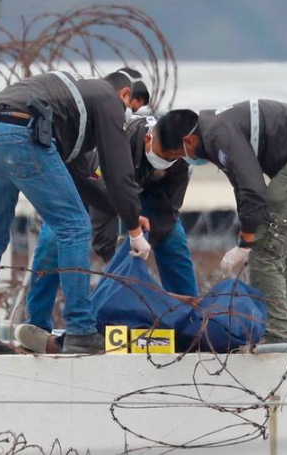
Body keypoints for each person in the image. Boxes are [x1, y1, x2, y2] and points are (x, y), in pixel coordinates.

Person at [0, 70, 152, 355]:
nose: (124, 117)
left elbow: (81, 180)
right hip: (23, 132)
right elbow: (117, 170)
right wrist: (135, 234)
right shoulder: (108, 99)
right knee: (74, 228)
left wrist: (126, 214)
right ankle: (80, 329)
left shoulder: (72, 106)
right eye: (129, 108)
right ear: (124, 94)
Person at [151, 101, 287, 348]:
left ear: (188, 142)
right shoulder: (216, 128)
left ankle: (278, 334)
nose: (183, 161)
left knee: (264, 251)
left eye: (177, 155)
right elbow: (242, 188)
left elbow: (253, 190)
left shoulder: (217, 134)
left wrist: (246, 242)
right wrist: (246, 236)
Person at [16, 115, 199, 353]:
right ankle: (38, 326)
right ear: (147, 139)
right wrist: (120, 264)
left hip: (138, 194)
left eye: (173, 158)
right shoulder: (118, 143)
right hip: (89, 185)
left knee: (173, 238)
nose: (167, 161)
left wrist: (143, 243)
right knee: (55, 236)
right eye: (164, 155)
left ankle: (191, 324)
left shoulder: (179, 161)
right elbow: (101, 210)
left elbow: (167, 212)